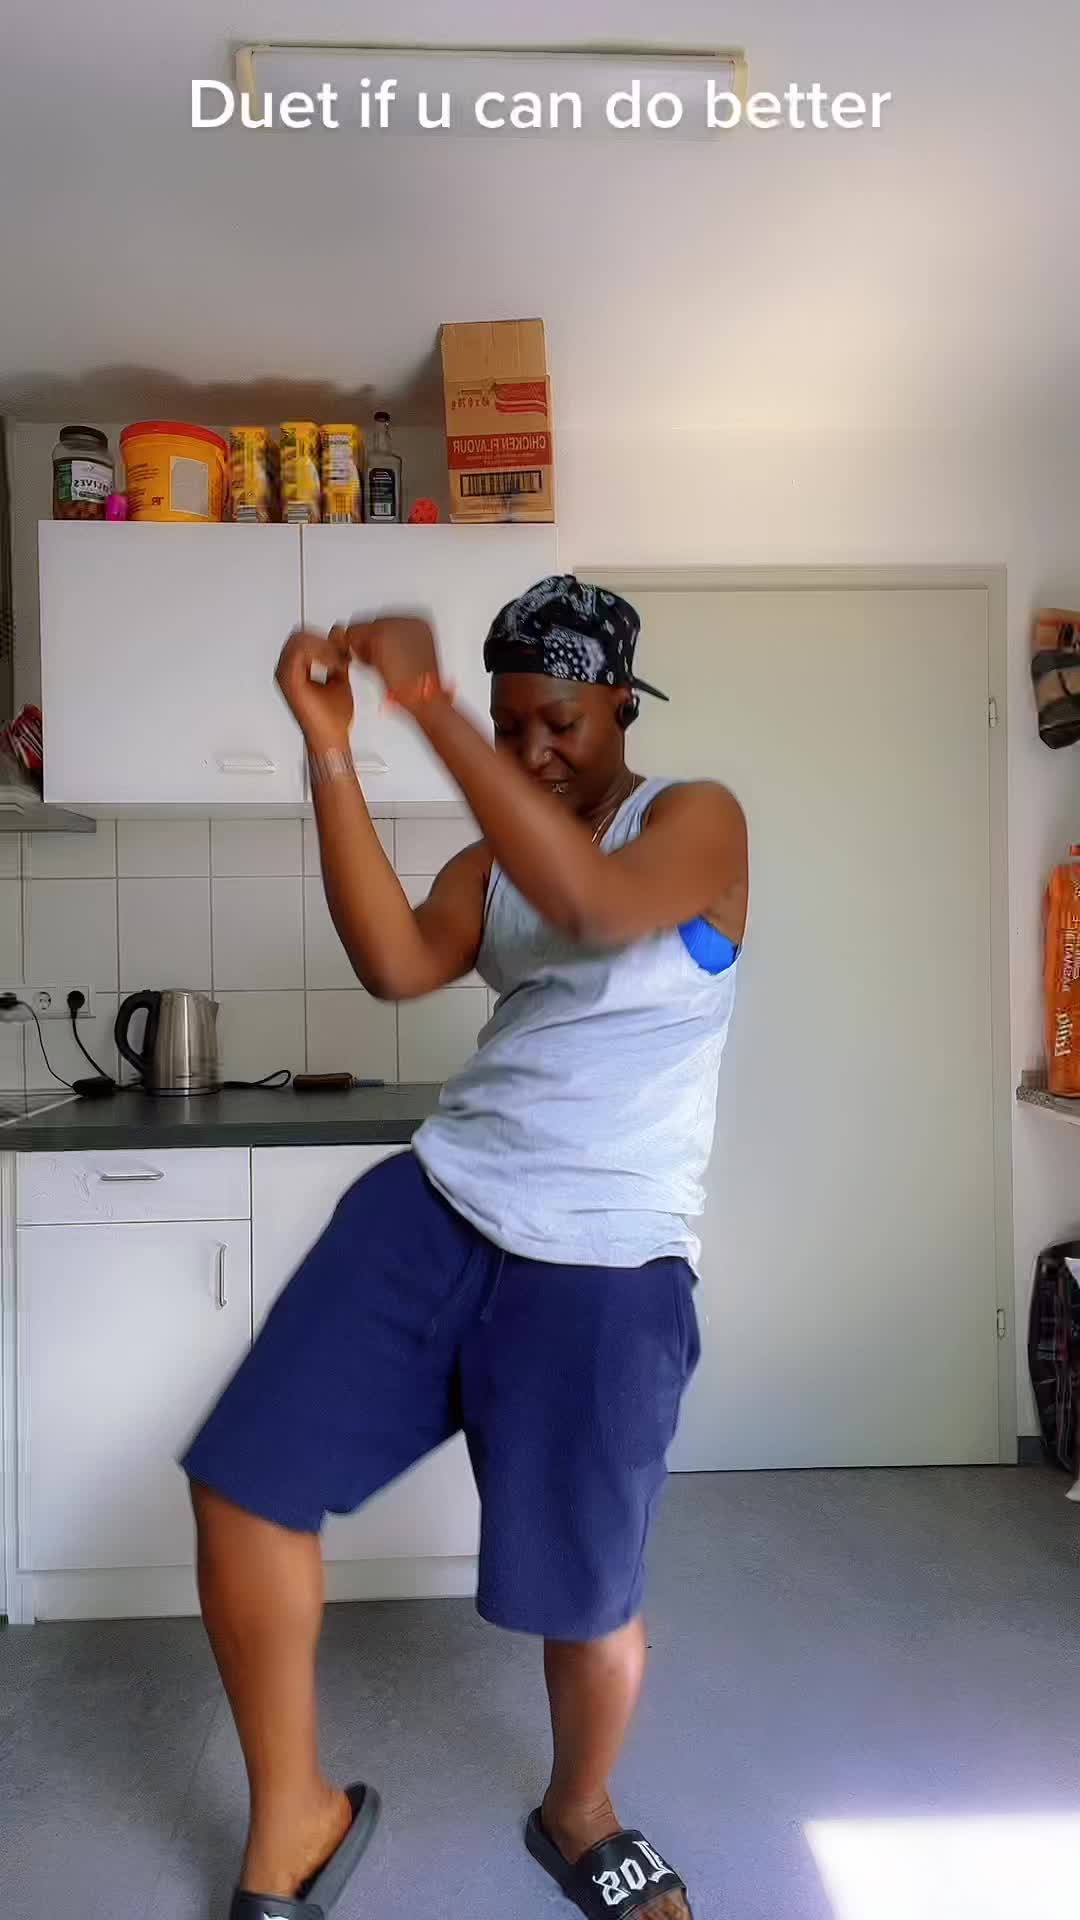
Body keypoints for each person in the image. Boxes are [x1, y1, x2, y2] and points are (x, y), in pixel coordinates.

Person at [182, 575, 748, 1920]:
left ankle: (582, 1810)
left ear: (622, 705)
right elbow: (394, 960)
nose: (532, 748)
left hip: (609, 1255)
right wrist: (333, 745)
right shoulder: (492, 865)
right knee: (245, 1480)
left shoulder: (697, 821)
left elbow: (599, 905)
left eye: (559, 721)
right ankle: (293, 1821)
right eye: (509, 723)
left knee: (586, 1593)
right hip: (440, 1201)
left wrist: (427, 701)